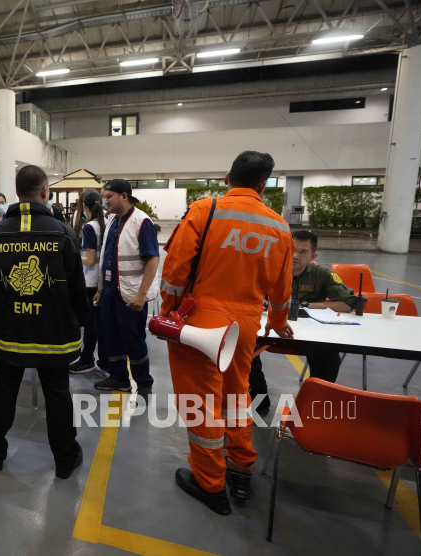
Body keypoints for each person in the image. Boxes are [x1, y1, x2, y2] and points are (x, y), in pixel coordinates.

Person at [160, 151, 294, 515]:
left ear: (227, 177)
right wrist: (278, 322)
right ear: (263, 184)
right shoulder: (280, 227)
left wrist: (168, 315)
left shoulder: (205, 211)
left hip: (202, 321)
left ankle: (210, 484)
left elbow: (174, 273)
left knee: (201, 404)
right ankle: (241, 468)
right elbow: (283, 289)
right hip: (247, 323)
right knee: (237, 395)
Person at [0, 165, 89, 478]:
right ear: (44, 192)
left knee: (4, 390)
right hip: (53, 333)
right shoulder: (64, 233)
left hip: (7, 333)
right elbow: (78, 291)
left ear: (15, 193)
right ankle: (66, 460)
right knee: (57, 394)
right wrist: (77, 322)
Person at [249, 230, 355, 407]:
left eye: (303, 252)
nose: (295, 256)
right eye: (291, 250)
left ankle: (318, 403)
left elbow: (348, 303)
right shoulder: (268, 269)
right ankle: (258, 396)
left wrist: (308, 306)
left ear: (313, 255)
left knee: (328, 354)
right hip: (272, 331)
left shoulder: (322, 274)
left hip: (311, 335)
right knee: (243, 346)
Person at [92, 179, 159, 396]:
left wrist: (141, 294)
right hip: (110, 293)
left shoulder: (141, 222)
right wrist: (101, 288)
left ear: (123, 196)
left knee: (134, 340)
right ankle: (119, 378)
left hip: (131, 295)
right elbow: (107, 258)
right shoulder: (112, 220)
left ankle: (144, 382)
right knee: (110, 337)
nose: (105, 201)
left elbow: (152, 260)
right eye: (104, 197)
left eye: (108, 196)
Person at [68, 190, 109, 375]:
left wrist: (73, 258)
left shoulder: (90, 227)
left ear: (85, 207)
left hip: (92, 281)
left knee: (91, 323)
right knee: (100, 323)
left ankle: (86, 359)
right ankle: (103, 360)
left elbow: (90, 259)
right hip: (104, 280)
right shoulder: (108, 223)